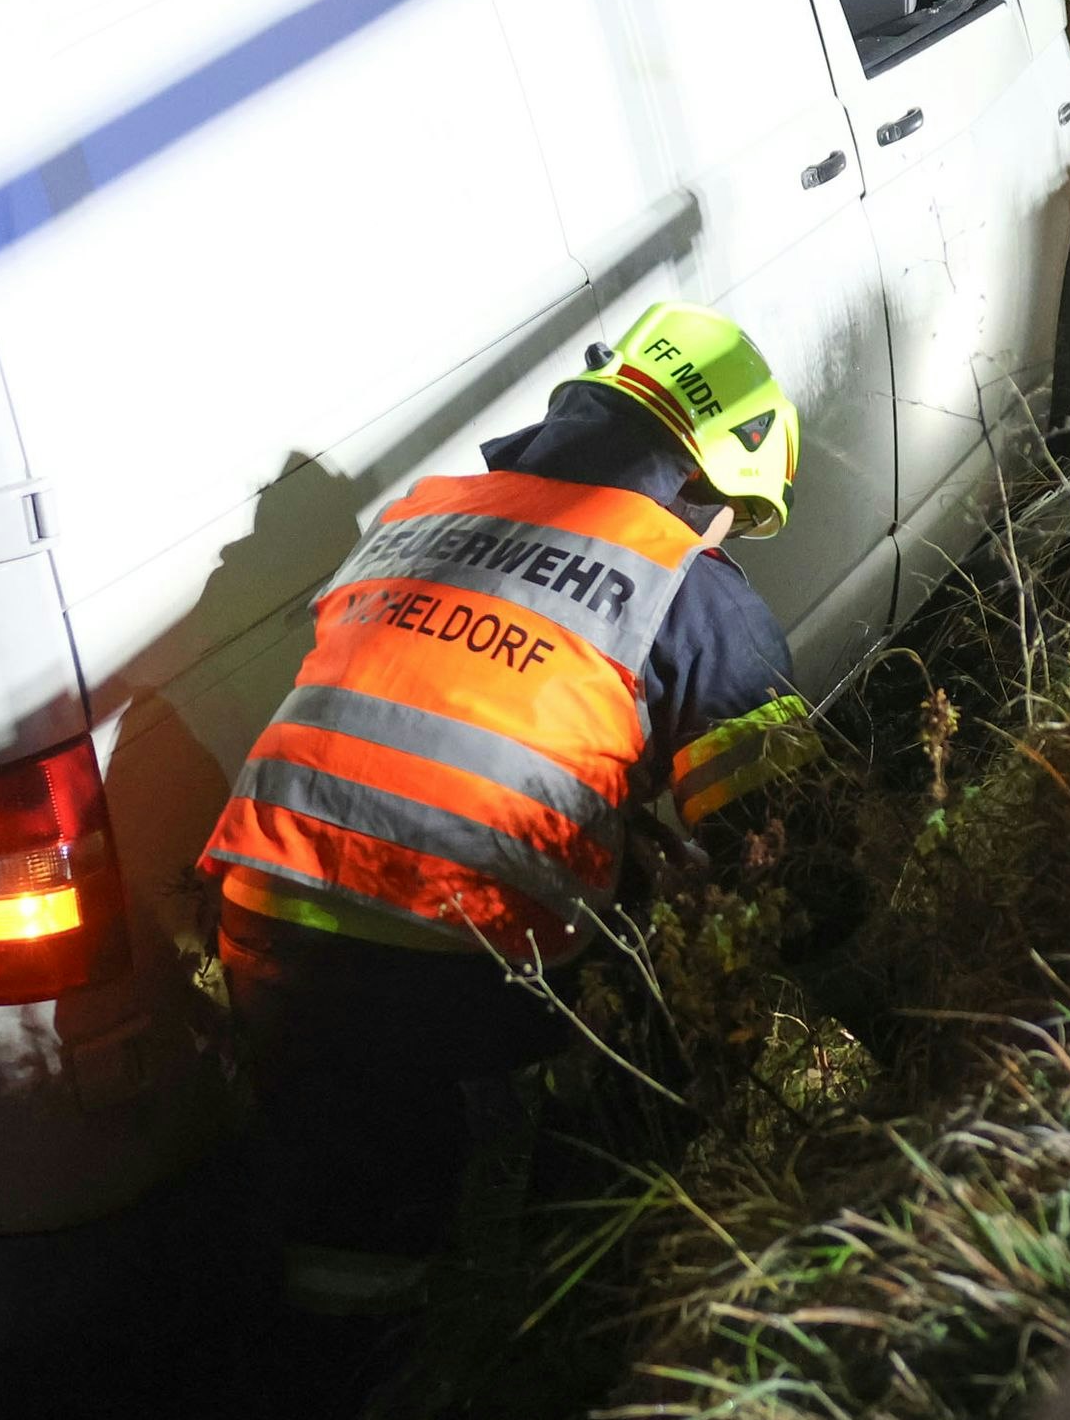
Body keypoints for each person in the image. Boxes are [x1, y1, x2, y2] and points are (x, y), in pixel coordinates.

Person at [200, 302, 821, 1324]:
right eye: (733, 518)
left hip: (266, 913)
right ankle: (590, 1272)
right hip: (442, 957)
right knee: (674, 963)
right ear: (708, 478)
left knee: (347, 1207)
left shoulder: (422, 516)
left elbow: (447, 728)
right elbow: (794, 865)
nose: (726, 543)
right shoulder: (690, 587)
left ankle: (349, 1349)